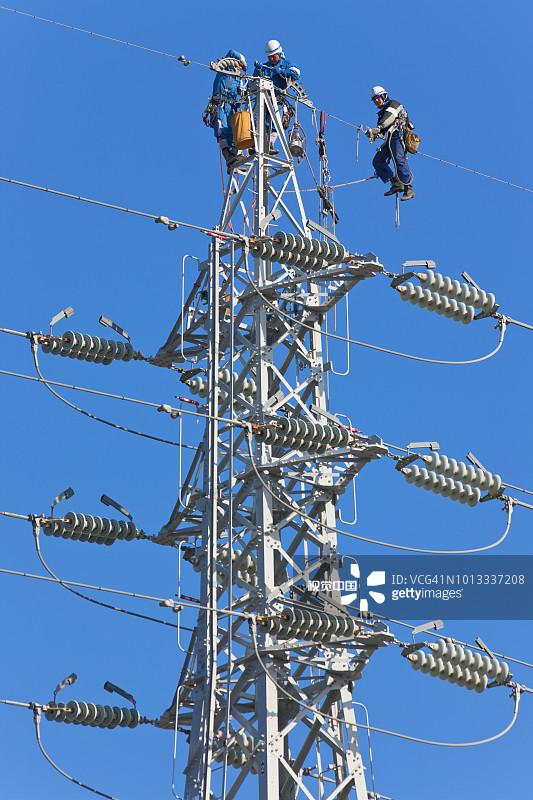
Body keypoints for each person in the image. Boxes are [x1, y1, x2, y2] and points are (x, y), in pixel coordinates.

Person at [367, 86, 415, 201]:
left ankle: (408, 188)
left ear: (384, 96)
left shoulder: (393, 104)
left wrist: (378, 129)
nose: (376, 101)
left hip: (397, 136)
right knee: (377, 161)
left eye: (378, 98)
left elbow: (390, 117)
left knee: (399, 160)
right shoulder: (382, 113)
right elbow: (382, 129)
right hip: (389, 139)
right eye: (374, 100)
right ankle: (396, 183)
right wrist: (373, 134)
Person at [203, 49, 247, 174]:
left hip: (231, 107)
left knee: (234, 132)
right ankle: (228, 155)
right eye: (238, 64)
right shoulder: (224, 70)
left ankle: (235, 157)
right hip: (220, 105)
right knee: (222, 131)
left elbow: (241, 91)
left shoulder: (238, 78)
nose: (240, 67)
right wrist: (241, 60)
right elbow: (231, 52)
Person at [253, 40, 300, 154]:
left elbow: (297, 73)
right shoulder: (265, 67)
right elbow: (254, 81)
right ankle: (256, 144)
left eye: (273, 56)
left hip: (277, 101)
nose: (271, 59)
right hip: (263, 100)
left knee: (275, 123)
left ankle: (270, 143)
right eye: (269, 57)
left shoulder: (287, 64)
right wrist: (258, 70)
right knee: (257, 122)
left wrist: (282, 71)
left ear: (279, 54)